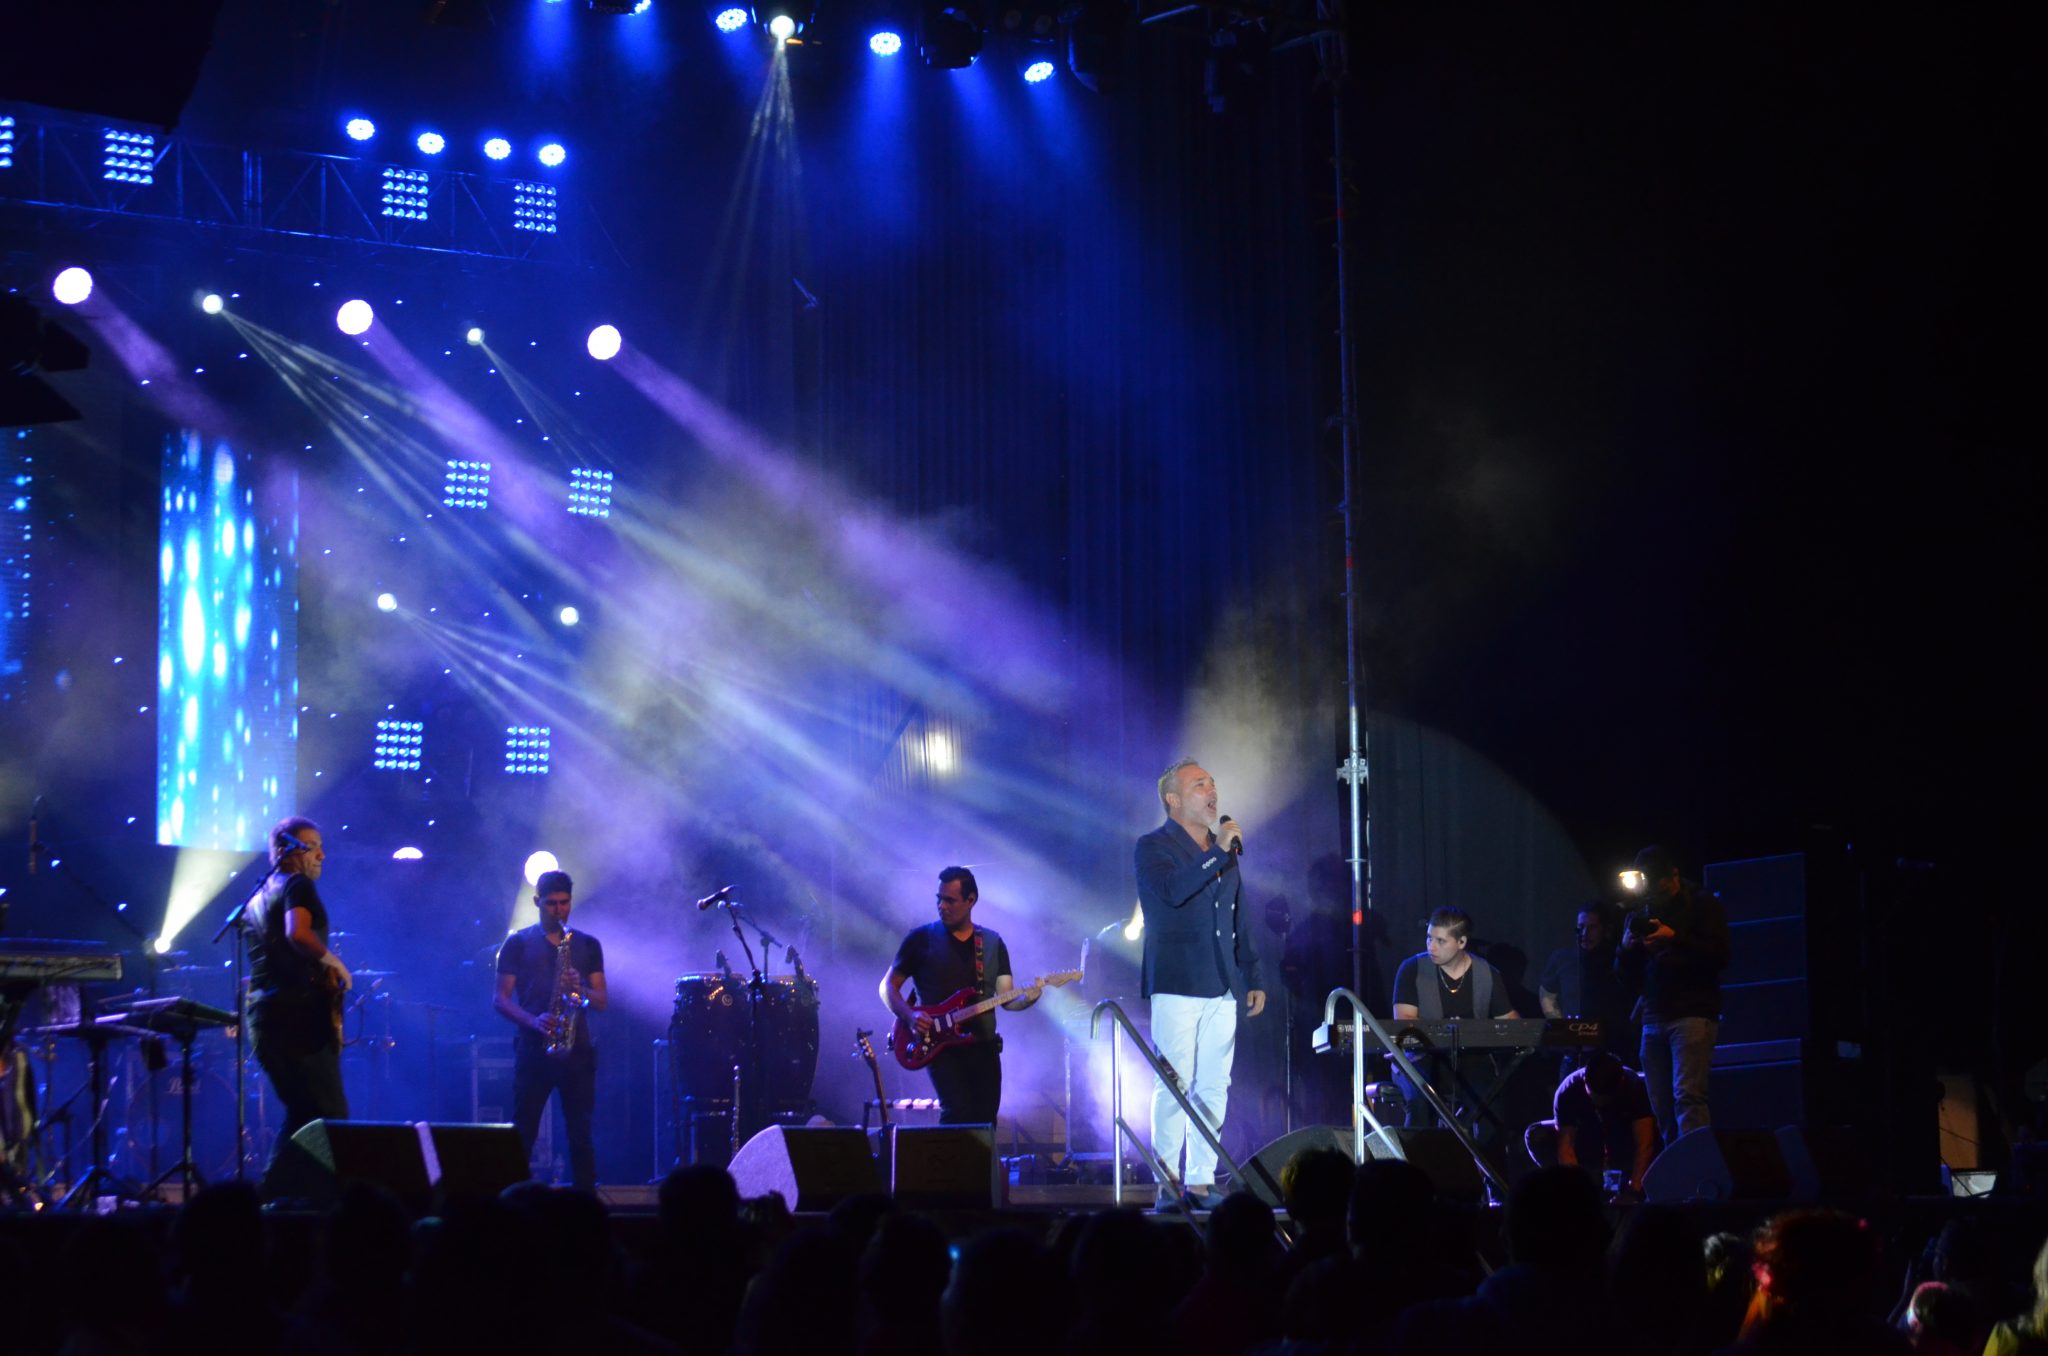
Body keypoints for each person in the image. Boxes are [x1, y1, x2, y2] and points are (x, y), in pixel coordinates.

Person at [1135, 759, 1266, 1210]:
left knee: (1214, 1084)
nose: (1211, 791)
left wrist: (1252, 973)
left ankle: (1200, 1181)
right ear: (1173, 799)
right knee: (1174, 1082)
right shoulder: (1153, 846)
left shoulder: (1223, 849)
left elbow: (1238, 915)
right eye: (1199, 785)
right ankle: (1166, 1183)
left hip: (1223, 981)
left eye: (1212, 783)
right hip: (1177, 980)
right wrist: (1218, 852)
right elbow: (1173, 890)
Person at [880, 866, 1037, 1125]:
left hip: (984, 1047)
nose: (942, 906)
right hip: (941, 1047)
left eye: (950, 900)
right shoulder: (920, 939)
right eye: (939, 899)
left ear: (971, 900)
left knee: (985, 1121)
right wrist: (909, 1016)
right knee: (957, 1113)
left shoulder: (992, 943)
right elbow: (887, 987)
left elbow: (1007, 999)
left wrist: (1030, 998)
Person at [245, 816, 350, 1192]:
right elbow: (297, 933)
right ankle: (316, 1200)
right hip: (297, 1018)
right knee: (329, 1113)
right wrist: (334, 962)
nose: (321, 855)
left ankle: (276, 1196)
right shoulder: (297, 884)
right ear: (285, 851)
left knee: (304, 1111)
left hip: (264, 1017)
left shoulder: (256, 896)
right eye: (312, 847)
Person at [494, 869, 607, 1192]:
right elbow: (500, 999)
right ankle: (514, 1200)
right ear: (537, 902)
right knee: (524, 1131)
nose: (559, 911)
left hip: (576, 1051)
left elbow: (601, 1001)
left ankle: (586, 1201)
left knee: (580, 1133)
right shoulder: (517, 943)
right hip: (534, 1049)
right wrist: (533, 1021)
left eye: (565, 903)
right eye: (552, 904)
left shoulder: (587, 944)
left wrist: (580, 990)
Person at [1616, 845, 1730, 1143]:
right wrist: (1626, 949)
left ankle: (1697, 1166)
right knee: (1661, 1104)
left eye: (1659, 886)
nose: (1655, 894)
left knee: (1688, 1097)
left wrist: (1674, 937)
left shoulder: (1702, 904)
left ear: (1673, 876)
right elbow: (1625, 977)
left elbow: (1719, 955)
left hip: (1692, 1012)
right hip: (1654, 1016)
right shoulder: (1642, 912)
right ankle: (1676, 1165)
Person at [1389, 906, 1518, 1135]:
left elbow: (1509, 1020)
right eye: (1429, 938)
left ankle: (1486, 1158)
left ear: (1461, 942)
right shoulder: (1412, 969)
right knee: (1421, 1102)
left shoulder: (1487, 973)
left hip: (1472, 1061)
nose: (1431, 946)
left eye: (1440, 941)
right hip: (1420, 1059)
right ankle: (1415, 1156)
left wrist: (1530, 1030)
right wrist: (1445, 1029)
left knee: (1491, 1107)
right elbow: (1404, 1022)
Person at [1522, 1049, 1660, 1199]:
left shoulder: (1635, 1087)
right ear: (1585, 1080)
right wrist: (1579, 1192)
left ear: (1620, 1083)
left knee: (1659, 1132)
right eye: (1593, 1095)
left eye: (1604, 1099)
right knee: (1536, 1134)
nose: (1599, 1102)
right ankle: (1566, 1189)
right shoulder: (1568, 1090)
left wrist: (1633, 1191)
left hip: (1623, 1148)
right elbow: (1566, 1147)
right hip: (1589, 1147)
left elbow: (1645, 1144)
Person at [1537, 900, 1634, 1060]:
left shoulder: (1615, 957)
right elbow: (1546, 992)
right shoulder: (1562, 958)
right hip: (1573, 1051)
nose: (1585, 933)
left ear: (1605, 929)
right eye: (1581, 927)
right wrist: (1559, 1024)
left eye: (1592, 927)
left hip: (1611, 1047)